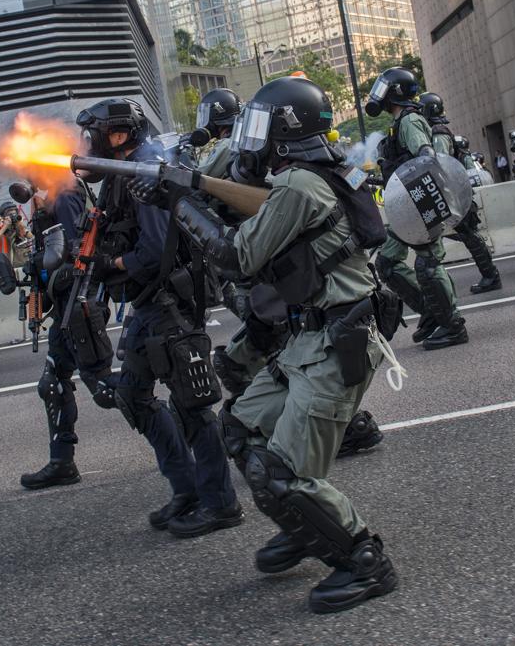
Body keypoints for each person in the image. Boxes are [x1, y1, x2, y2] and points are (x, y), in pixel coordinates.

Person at [175, 75, 398, 614]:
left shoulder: (300, 184)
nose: (250, 138)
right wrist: (190, 189)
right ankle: (306, 528)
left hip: (338, 337)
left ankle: (363, 559)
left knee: (284, 473)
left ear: (283, 131)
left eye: (259, 125)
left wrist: (180, 203)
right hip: (312, 334)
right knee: (241, 429)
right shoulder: (310, 176)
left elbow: (235, 257)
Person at [77, 97, 243, 537]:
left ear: (117, 135)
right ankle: (186, 490)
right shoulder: (119, 174)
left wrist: (112, 265)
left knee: (192, 405)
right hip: (147, 305)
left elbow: (152, 251)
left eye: (92, 134)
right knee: (133, 395)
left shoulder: (146, 172)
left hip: (169, 302)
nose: (86, 143)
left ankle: (220, 503)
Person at [9, 178, 114, 489]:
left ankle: (179, 430)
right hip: (63, 307)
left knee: (105, 388)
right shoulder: (47, 198)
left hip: (78, 304)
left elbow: (77, 249)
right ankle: (61, 463)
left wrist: (45, 262)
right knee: (52, 383)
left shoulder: (65, 194)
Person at [368, 68, 467, 349]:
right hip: (408, 204)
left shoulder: (410, 121)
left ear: (395, 92)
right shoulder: (400, 123)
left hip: (421, 200)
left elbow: (425, 156)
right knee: (387, 262)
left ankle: (453, 325)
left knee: (428, 264)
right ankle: (432, 312)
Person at [420, 92, 502, 293]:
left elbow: (439, 162)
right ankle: (490, 275)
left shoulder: (438, 132)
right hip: (454, 191)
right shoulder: (437, 130)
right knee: (468, 234)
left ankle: (491, 276)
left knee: (469, 234)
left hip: (454, 192)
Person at [193, 87, 243, 178]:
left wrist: (187, 151)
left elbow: (199, 177)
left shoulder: (228, 144)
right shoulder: (240, 138)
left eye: (205, 116)